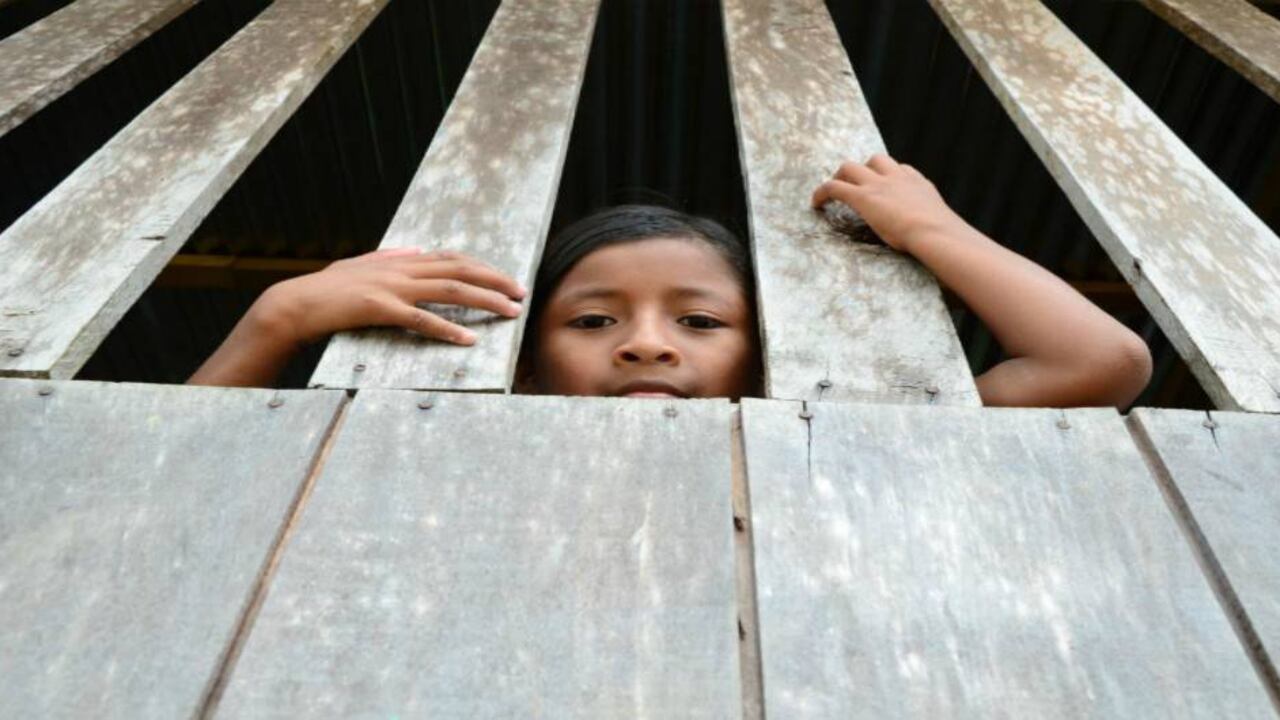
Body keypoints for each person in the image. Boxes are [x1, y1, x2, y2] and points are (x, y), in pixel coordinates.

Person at [188, 154, 1152, 407]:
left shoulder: (845, 438)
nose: (646, 341)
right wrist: (276, 319)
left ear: (766, 361)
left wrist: (935, 231)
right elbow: (173, 490)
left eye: (699, 322)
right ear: (523, 372)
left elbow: (1100, 361)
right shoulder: (481, 434)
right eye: (594, 319)